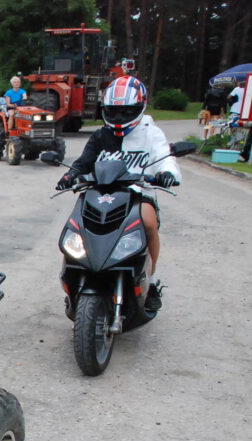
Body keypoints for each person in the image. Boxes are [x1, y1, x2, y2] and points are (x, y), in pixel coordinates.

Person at [55, 75, 180, 310]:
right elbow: (83, 162)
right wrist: (69, 176)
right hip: (99, 193)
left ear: (140, 107)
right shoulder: (100, 135)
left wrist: (167, 173)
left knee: (148, 223)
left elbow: (165, 158)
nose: (119, 117)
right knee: (76, 227)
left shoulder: (151, 133)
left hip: (138, 194)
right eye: (114, 111)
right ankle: (74, 278)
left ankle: (152, 280)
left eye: (126, 111)